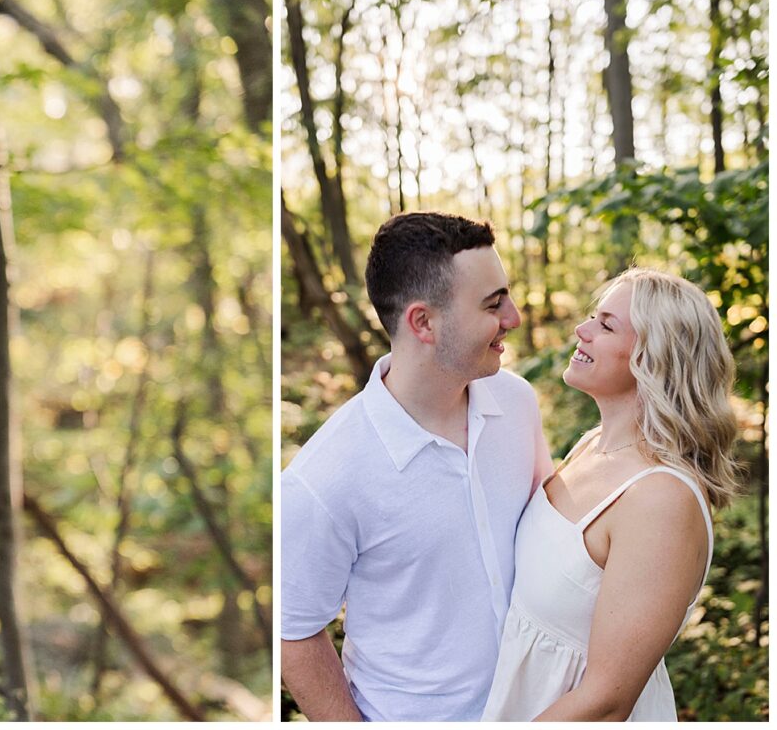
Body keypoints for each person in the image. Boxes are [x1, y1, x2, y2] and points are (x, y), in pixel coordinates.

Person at [281, 211, 552, 722]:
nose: (514, 317)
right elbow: (294, 633)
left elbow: (552, 531)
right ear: (423, 322)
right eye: (494, 304)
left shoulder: (516, 403)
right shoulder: (324, 479)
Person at [484, 269, 738, 722]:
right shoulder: (591, 443)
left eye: (605, 325)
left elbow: (606, 700)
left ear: (656, 357)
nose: (581, 330)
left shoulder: (661, 499)